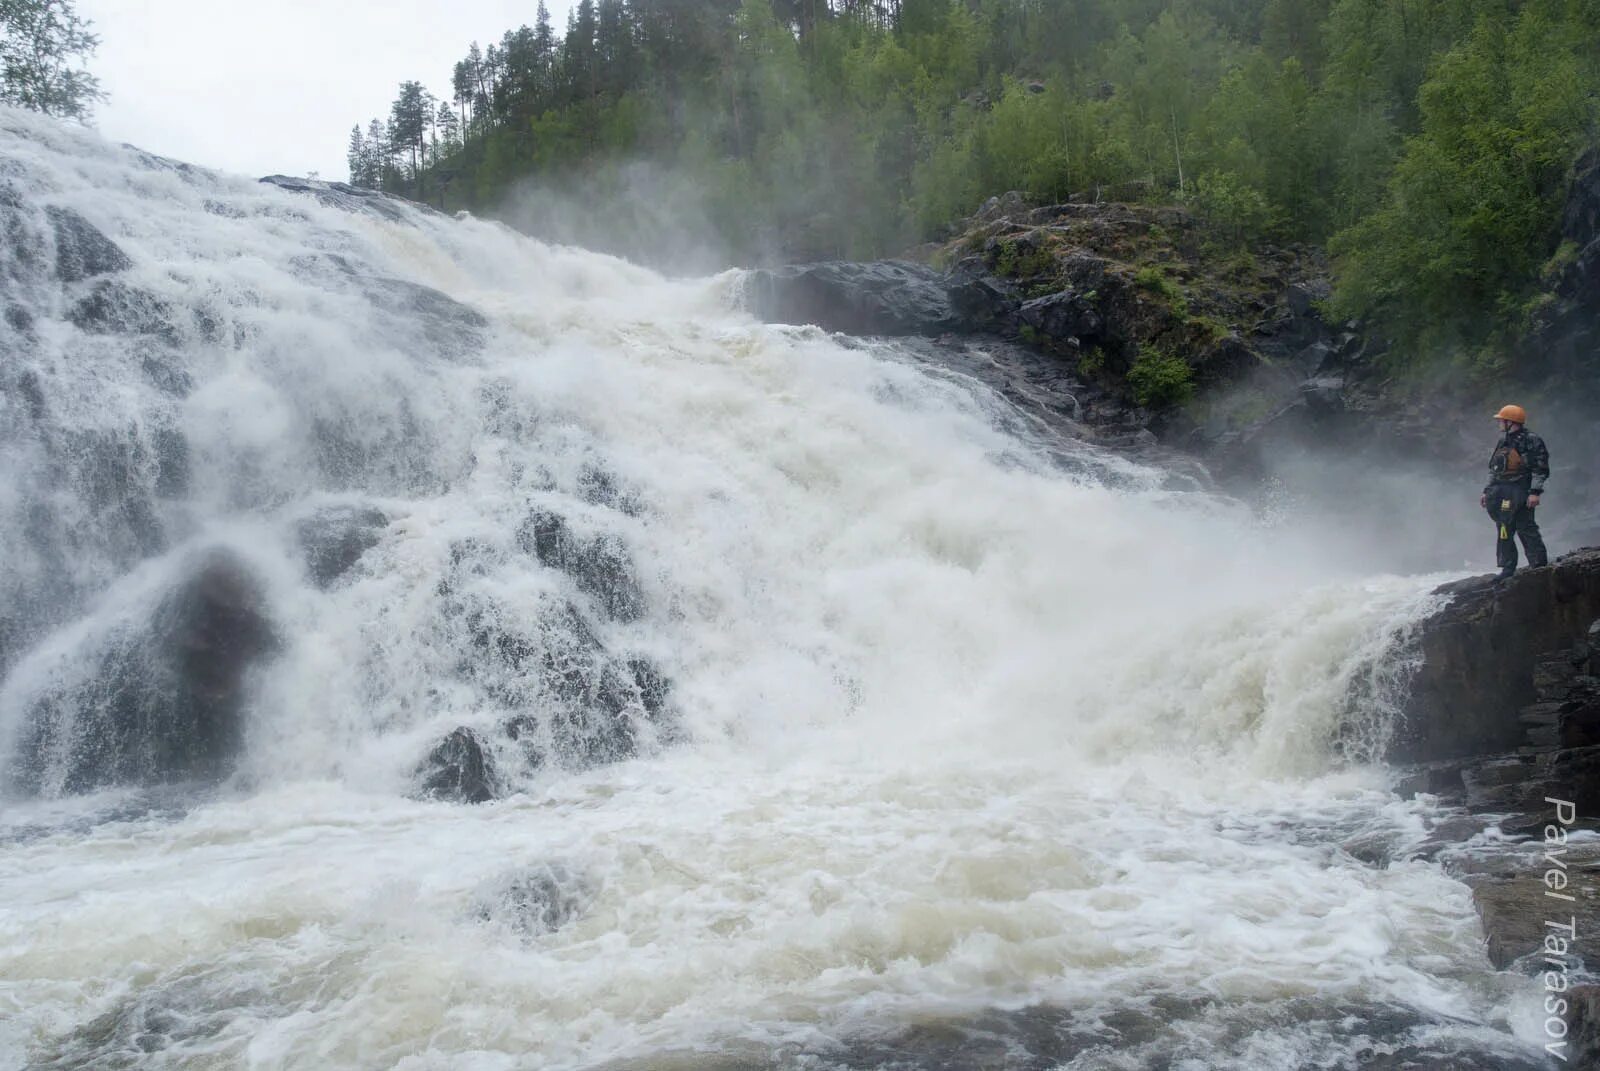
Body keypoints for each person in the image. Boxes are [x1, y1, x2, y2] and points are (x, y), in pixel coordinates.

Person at [1480, 404, 1549, 579]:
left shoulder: (1531, 440)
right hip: (1501, 492)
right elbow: (1494, 469)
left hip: (1521, 491)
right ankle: (1507, 567)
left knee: (1526, 527)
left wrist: (1535, 492)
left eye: (1501, 420)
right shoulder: (1503, 441)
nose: (1499, 424)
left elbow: (1540, 469)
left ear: (1510, 422)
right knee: (1504, 528)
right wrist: (1486, 491)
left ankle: (1539, 566)